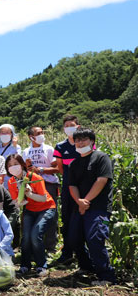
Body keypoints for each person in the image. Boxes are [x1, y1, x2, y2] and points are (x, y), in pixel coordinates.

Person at [68, 127, 116, 285]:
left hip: (99, 207)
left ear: (92, 141)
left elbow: (101, 181)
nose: (80, 143)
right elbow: (72, 186)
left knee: (95, 238)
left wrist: (85, 201)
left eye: (84, 139)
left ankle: (106, 276)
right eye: (78, 140)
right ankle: (87, 266)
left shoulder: (101, 158)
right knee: (74, 239)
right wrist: (79, 202)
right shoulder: (74, 164)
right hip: (79, 206)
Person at [5, 154, 56, 276]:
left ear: (22, 164)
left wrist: (30, 194)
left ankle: (41, 265)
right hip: (30, 210)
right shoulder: (12, 182)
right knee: (26, 237)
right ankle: (25, 265)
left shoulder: (35, 177)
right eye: (10, 166)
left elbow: (43, 198)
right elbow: (17, 202)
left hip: (46, 208)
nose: (13, 167)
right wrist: (21, 200)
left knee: (35, 234)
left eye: (16, 164)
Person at [23, 126, 60, 251]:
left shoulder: (49, 149)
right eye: (38, 133)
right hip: (32, 185)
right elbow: (24, 170)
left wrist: (41, 170)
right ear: (31, 137)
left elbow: (57, 169)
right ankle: (35, 246)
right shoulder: (26, 151)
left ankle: (51, 246)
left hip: (48, 184)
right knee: (34, 214)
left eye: (42, 132)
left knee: (51, 215)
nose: (42, 135)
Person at [52, 115, 83, 265]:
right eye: (66, 126)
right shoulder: (60, 147)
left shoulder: (85, 143)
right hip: (67, 188)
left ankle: (83, 253)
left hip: (85, 187)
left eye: (72, 125)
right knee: (67, 219)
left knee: (83, 219)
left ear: (78, 126)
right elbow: (60, 168)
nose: (69, 127)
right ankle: (67, 253)